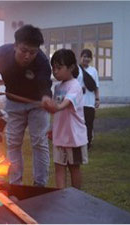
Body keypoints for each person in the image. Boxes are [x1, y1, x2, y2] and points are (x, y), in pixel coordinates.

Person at [0, 24, 52, 186]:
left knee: (39, 142)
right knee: (13, 142)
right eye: (24, 50)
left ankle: (40, 186)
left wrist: (46, 99)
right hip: (14, 103)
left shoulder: (42, 62)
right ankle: (16, 184)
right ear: (15, 46)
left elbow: (45, 86)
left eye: (32, 52)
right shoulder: (0, 55)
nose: (28, 56)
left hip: (37, 104)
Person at [42, 49, 88, 189]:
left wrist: (52, 106)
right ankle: (61, 197)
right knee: (59, 167)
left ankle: (76, 196)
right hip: (59, 136)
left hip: (74, 138)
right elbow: (56, 112)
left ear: (71, 67)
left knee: (74, 168)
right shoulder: (58, 87)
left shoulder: (75, 86)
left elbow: (63, 105)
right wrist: (52, 128)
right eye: (53, 68)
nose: (55, 71)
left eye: (59, 67)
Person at [77, 49, 100, 149]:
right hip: (78, 102)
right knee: (78, 123)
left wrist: (97, 99)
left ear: (91, 59)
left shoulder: (93, 70)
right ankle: (78, 143)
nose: (86, 59)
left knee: (89, 124)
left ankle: (88, 143)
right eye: (84, 56)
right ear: (80, 57)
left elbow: (96, 86)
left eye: (88, 57)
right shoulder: (76, 70)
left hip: (90, 102)